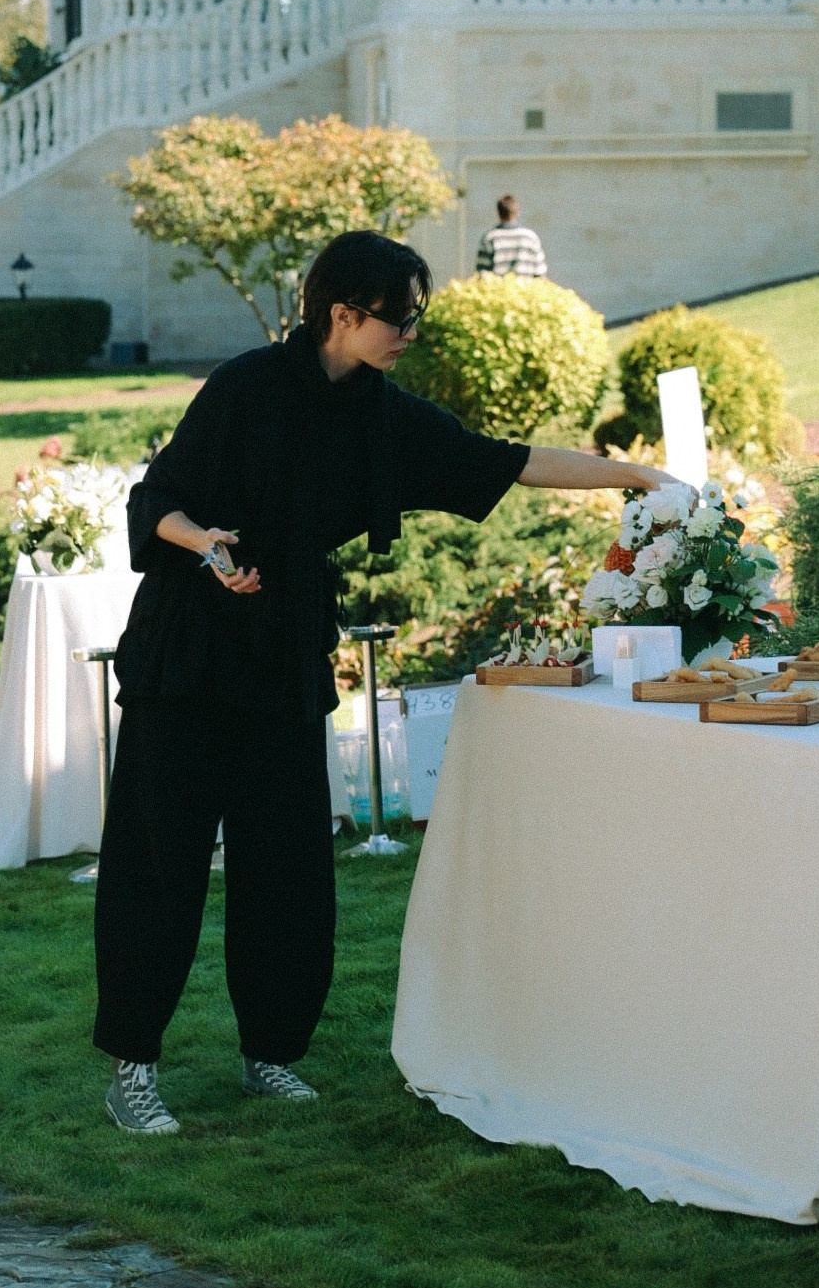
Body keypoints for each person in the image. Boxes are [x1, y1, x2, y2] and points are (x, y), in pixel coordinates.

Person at [93, 229, 687, 1135]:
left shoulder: (381, 414)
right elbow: (156, 499)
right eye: (398, 318)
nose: (410, 332)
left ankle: (271, 1056)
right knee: (161, 861)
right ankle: (133, 1067)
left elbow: (503, 459)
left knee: (288, 867)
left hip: (284, 655)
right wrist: (206, 544)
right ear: (343, 314)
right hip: (190, 652)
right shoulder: (244, 387)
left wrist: (634, 475)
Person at [475, 194, 547, 278]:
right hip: (526, 290)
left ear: (498, 213)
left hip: (498, 289)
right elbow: (541, 273)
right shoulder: (530, 237)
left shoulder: (489, 238)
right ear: (517, 212)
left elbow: (482, 274)